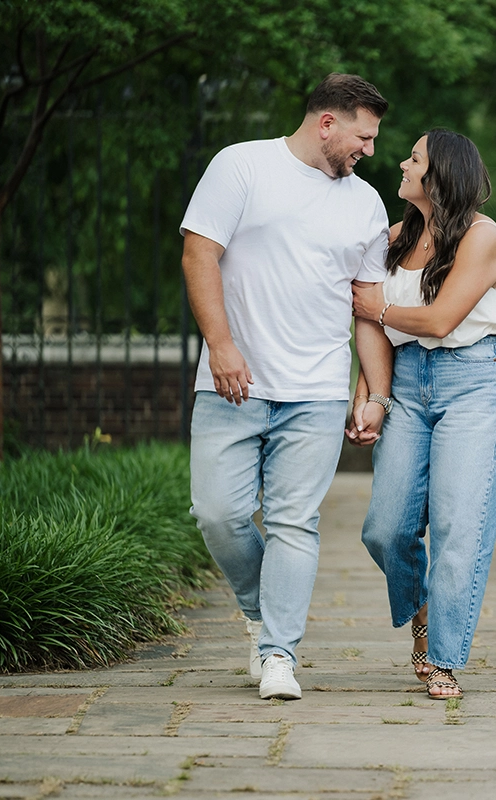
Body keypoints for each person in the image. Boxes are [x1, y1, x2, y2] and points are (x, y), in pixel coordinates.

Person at [180, 73, 394, 701]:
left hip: (317, 390)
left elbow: (368, 308)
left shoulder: (366, 203)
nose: (370, 150)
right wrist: (221, 344)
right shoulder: (241, 166)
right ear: (327, 123)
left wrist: (373, 392)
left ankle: (279, 654)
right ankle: (259, 612)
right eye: (363, 136)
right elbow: (198, 255)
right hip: (233, 382)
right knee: (217, 513)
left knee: (293, 522)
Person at [348, 128, 496, 699]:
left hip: (475, 382)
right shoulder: (395, 237)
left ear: (440, 175)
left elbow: (439, 320)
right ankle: (424, 609)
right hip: (406, 381)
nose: (402, 164)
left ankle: (444, 658)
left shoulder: (482, 237)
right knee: (386, 528)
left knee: (458, 526)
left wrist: (378, 306)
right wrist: (370, 392)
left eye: (414, 158)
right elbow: (369, 323)